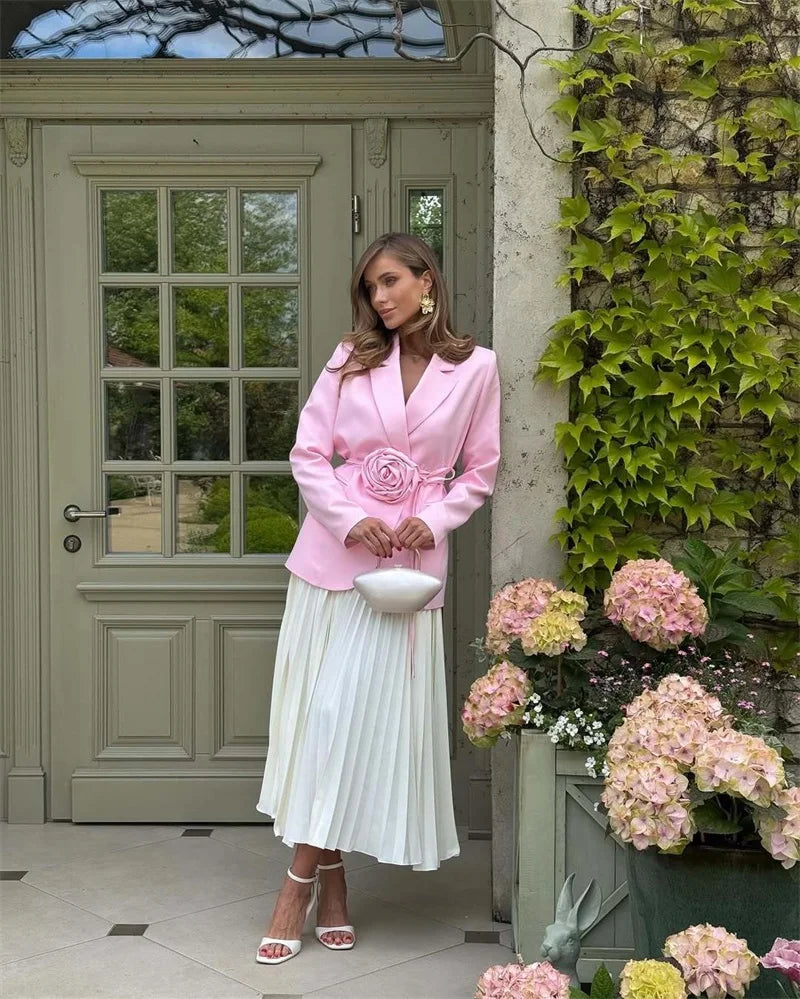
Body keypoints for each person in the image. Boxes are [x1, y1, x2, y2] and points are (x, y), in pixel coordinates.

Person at [254, 231, 502, 965]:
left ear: (429, 282)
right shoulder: (350, 357)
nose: (379, 298)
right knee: (324, 721)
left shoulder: (478, 368)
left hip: (408, 568)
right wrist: (345, 515)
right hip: (333, 560)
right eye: (371, 288)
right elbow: (307, 452)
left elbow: (479, 470)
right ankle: (313, 884)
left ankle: (314, 880)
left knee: (357, 724)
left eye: (391, 281)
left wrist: (437, 517)